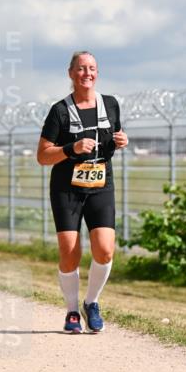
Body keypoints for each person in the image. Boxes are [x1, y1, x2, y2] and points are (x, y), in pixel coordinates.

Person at [36, 51, 128, 334]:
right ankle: (72, 311)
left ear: (97, 73)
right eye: (81, 69)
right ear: (71, 73)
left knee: (104, 250)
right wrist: (70, 149)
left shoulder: (110, 104)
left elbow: (114, 136)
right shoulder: (60, 111)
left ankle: (92, 303)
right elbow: (42, 155)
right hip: (67, 188)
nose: (87, 73)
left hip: (101, 184)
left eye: (92, 68)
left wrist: (121, 140)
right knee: (69, 253)